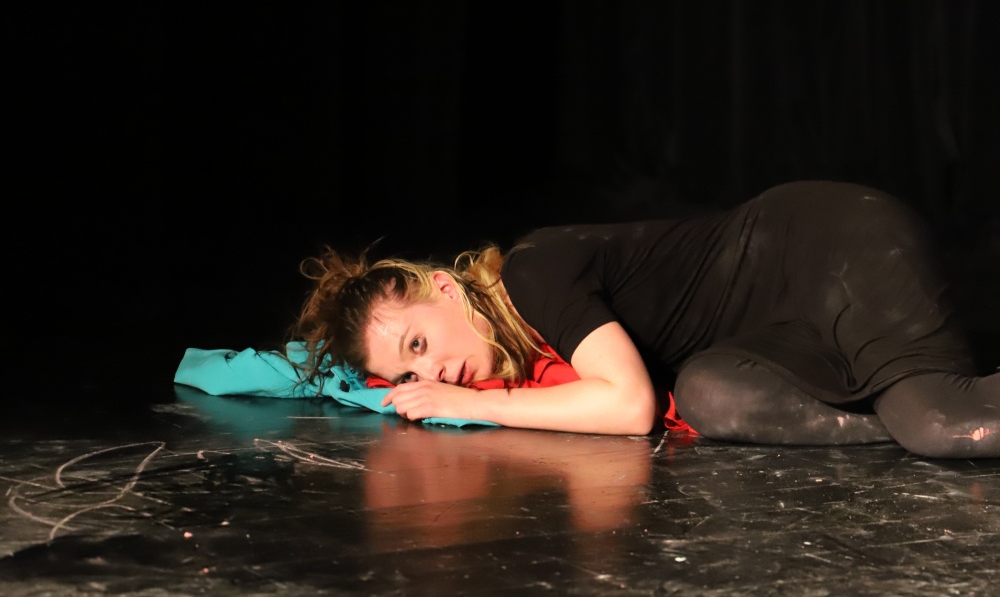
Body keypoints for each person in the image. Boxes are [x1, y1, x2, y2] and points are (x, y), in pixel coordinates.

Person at [287, 180, 1000, 459]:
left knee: (941, 425)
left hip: (826, 248)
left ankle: (917, 409)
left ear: (445, 288)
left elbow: (629, 407)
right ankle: (897, 411)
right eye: (408, 373)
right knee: (709, 394)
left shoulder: (531, 274)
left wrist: (465, 403)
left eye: (418, 342)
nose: (432, 372)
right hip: (776, 331)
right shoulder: (518, 339)